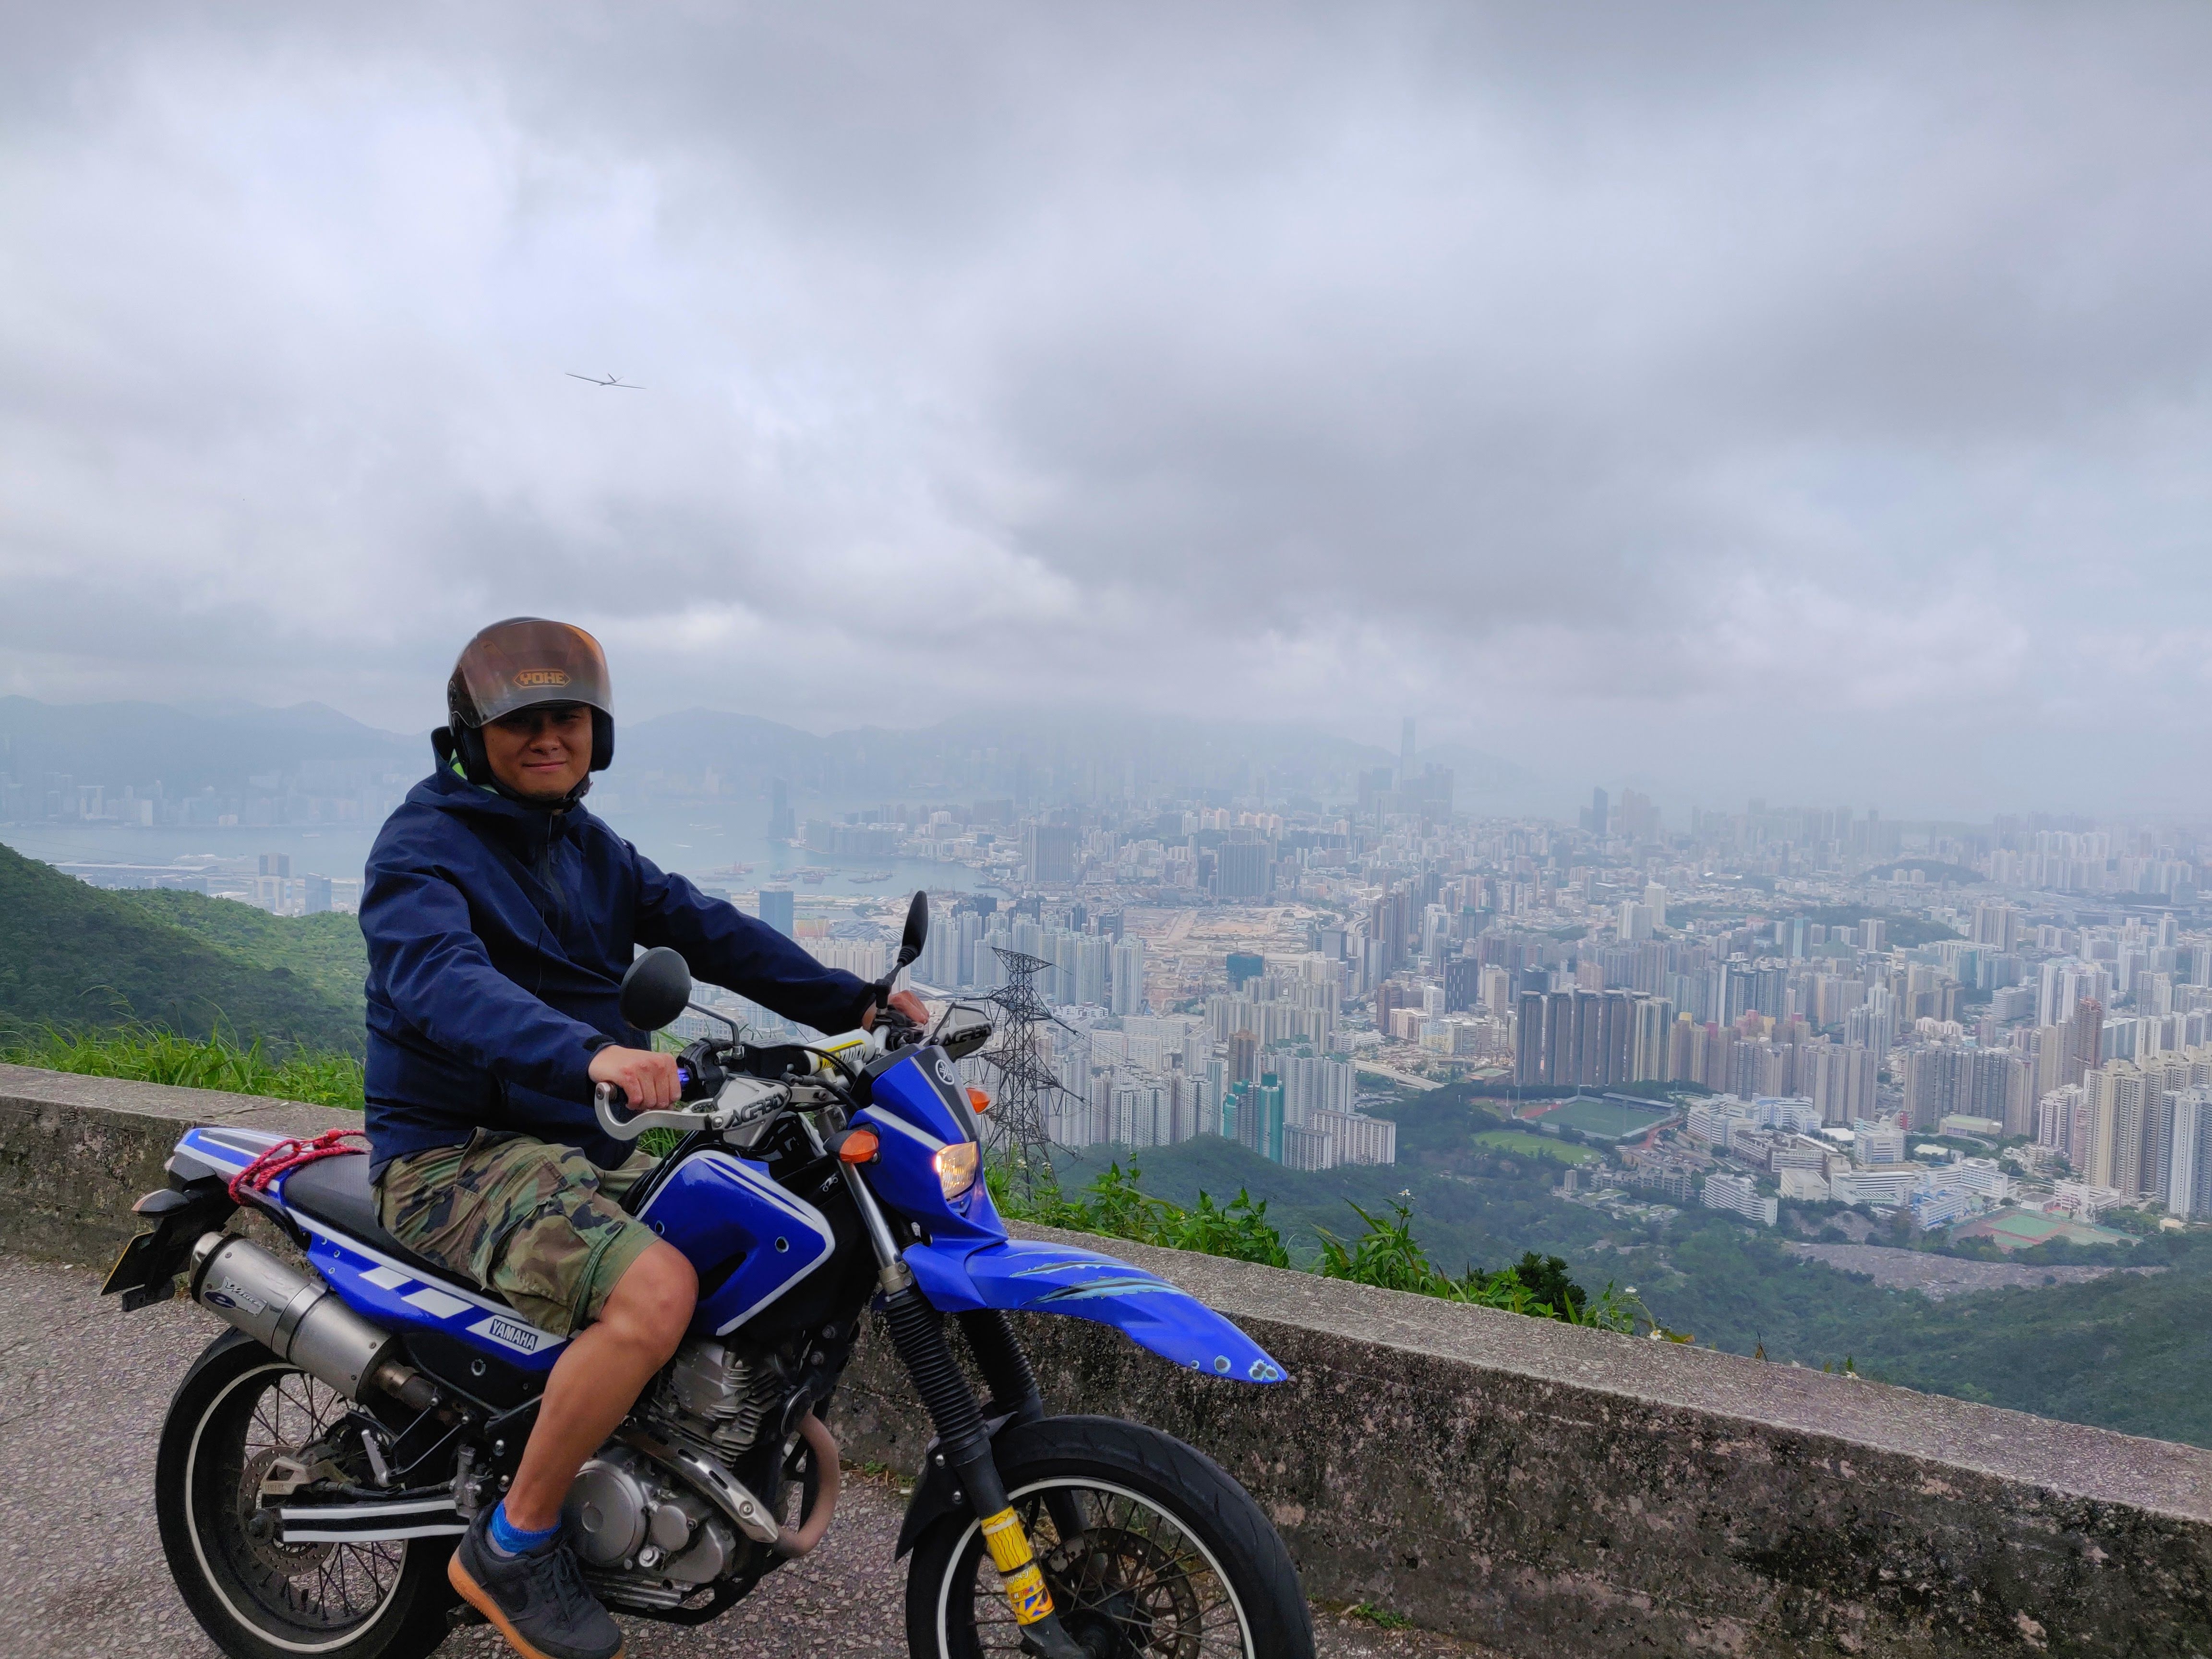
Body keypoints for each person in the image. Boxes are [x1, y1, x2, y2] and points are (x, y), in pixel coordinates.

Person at [360, 617, 926, 1659]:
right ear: (472, 734)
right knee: (656, 1292)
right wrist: (592, 1055)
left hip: (578, 1147)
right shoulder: (420, 850)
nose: (547, 737)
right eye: (520, 721)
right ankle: (514, 1542)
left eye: (566, 717)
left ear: (598, 733)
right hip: (455, 1157)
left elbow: (705, 928)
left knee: (749, 1227)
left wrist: (855, 1003)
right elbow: (443, 981)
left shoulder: (586, 847)